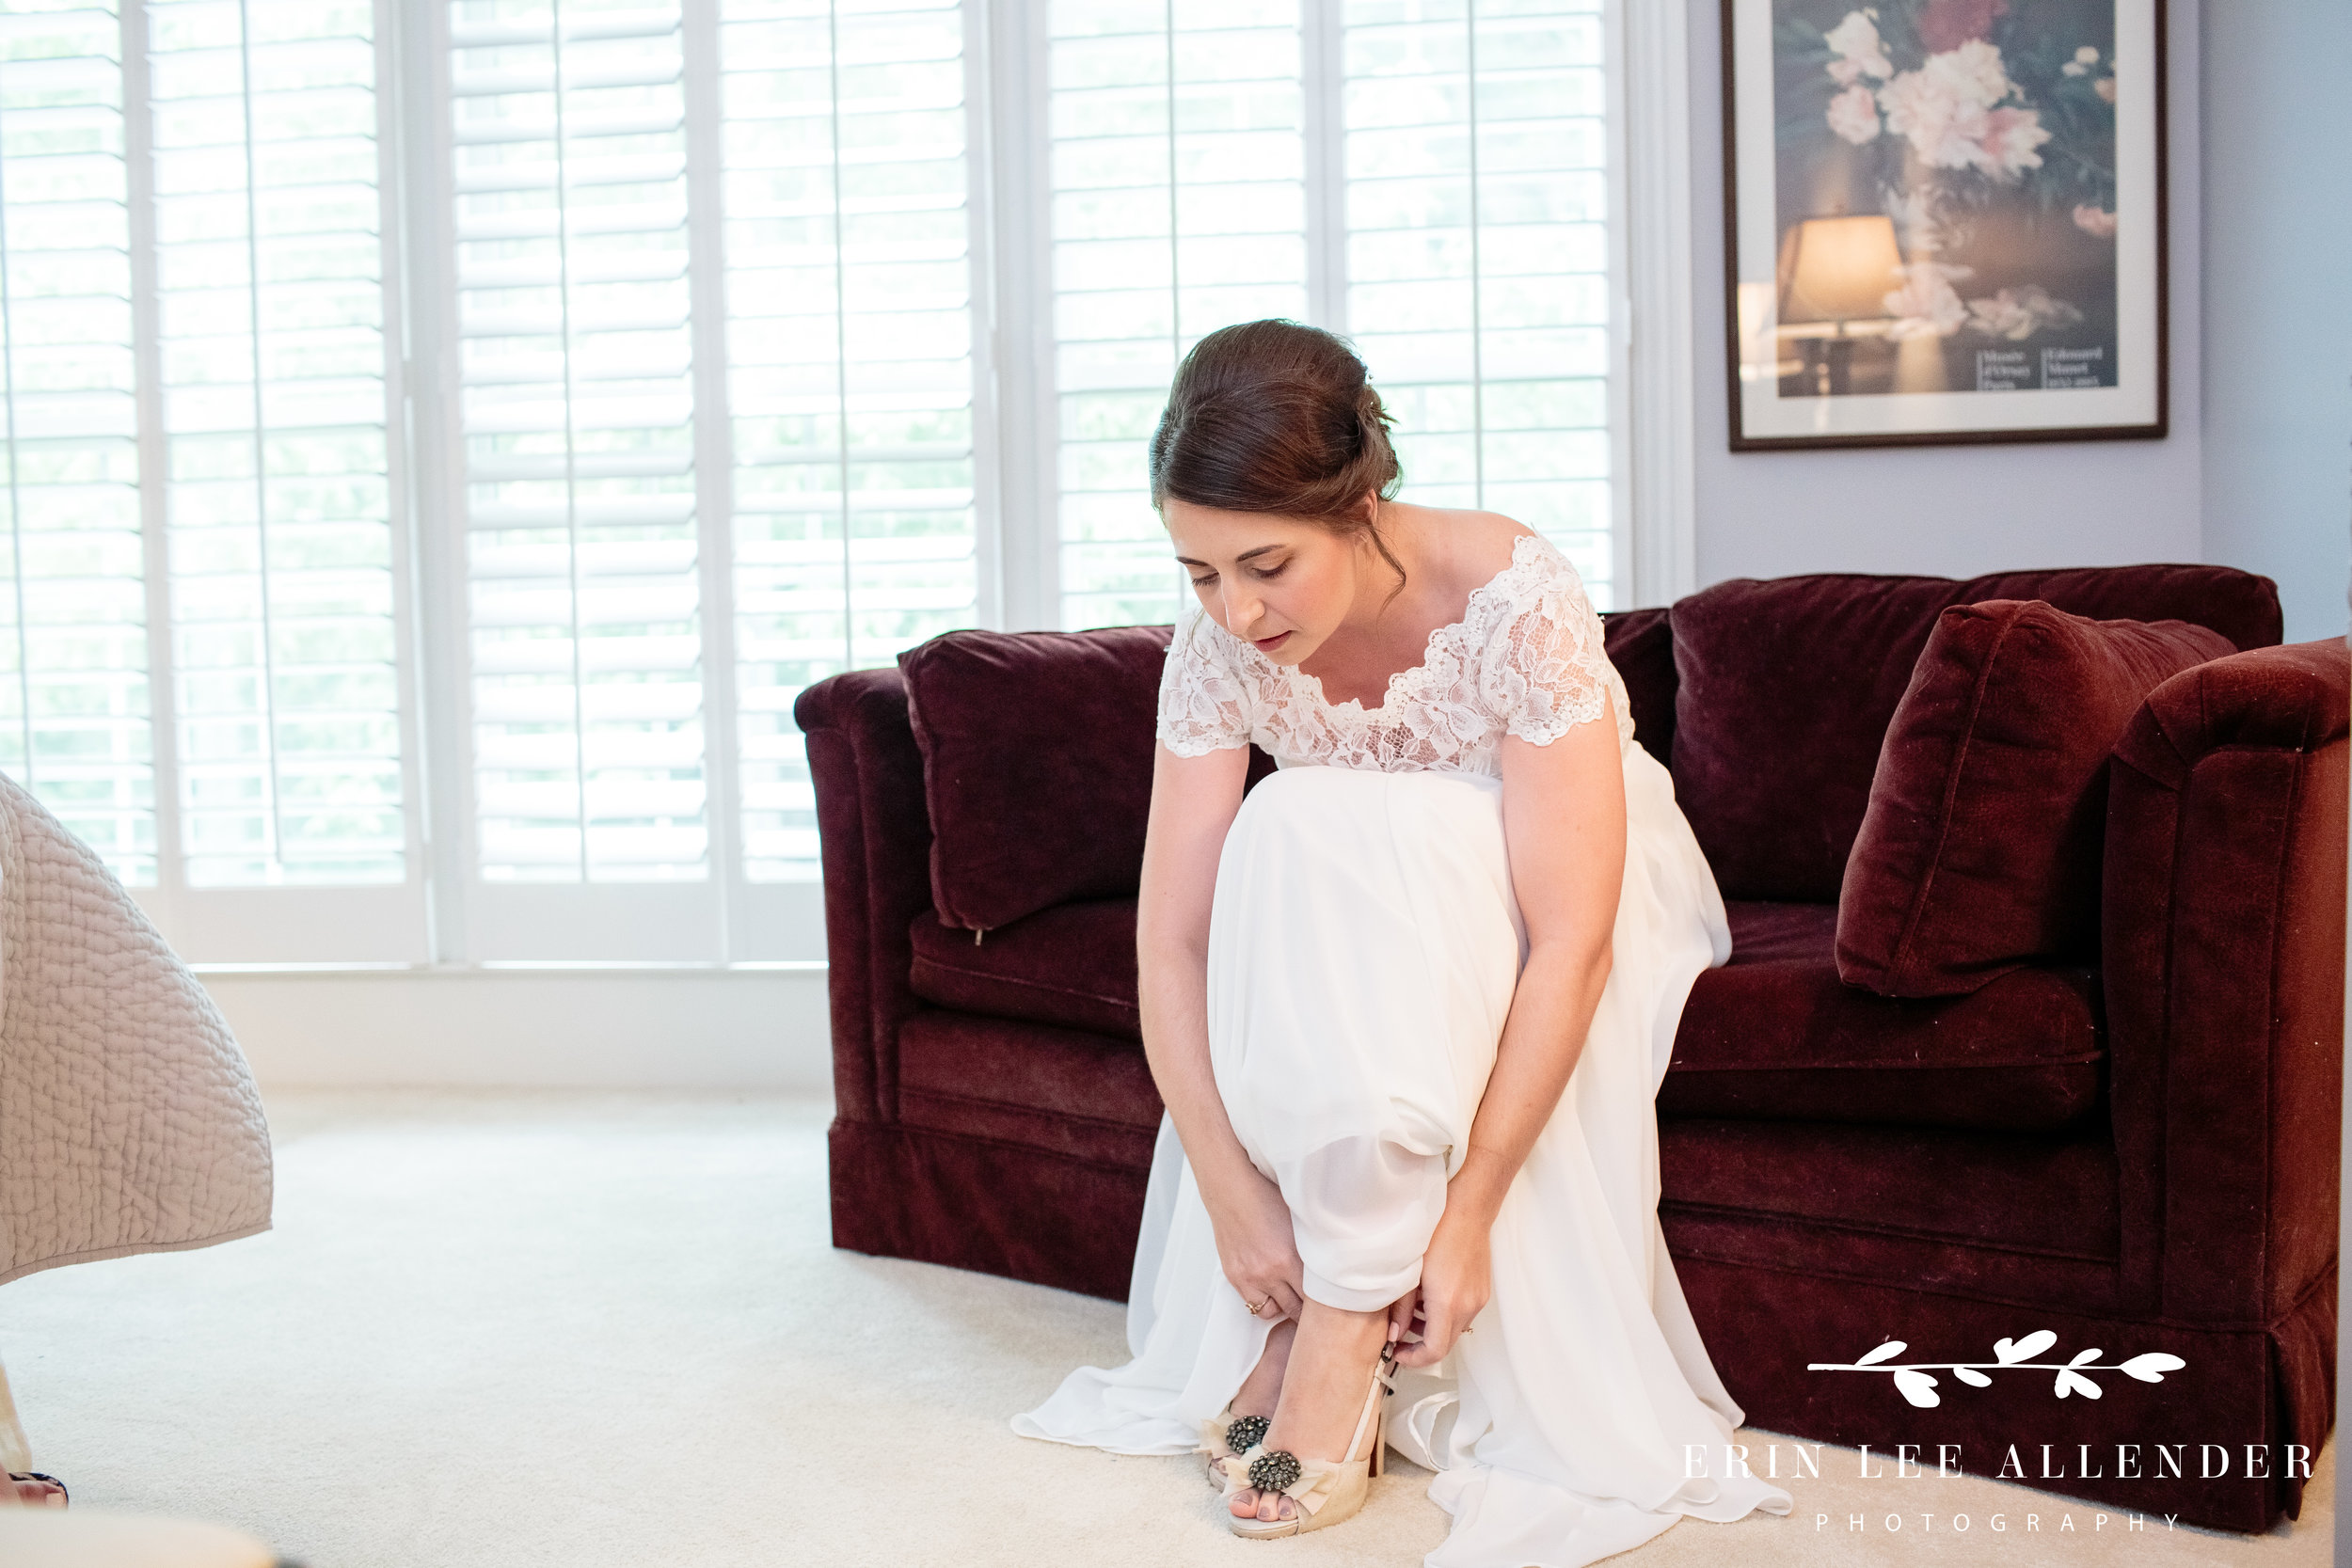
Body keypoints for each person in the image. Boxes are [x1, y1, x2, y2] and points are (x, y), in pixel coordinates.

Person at [1010, 319, 1790, 1564]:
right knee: (1296, 820)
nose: (1234, 610)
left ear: (1366, 500)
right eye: (1200, 573)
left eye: (1265, 565)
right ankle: (1334, 1263)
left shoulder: (1508, 592)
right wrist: (1230, 1191)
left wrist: (1471, 1207)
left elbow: (1573, 934)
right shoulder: (1221, 643)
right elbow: (1175, 940)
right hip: (1369, 914)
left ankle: (1337, 1315)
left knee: (1383, 825)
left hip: (1572, 896)